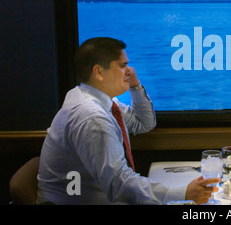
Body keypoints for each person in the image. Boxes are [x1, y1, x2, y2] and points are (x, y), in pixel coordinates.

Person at [37, 37, 219, 204]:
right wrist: (182, 193)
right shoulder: (92, 118)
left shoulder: (91, 97)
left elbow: (144, 123)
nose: (129, 71)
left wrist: (135, 86)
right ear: (99, 72)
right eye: (123, 66)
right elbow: (119, 184)